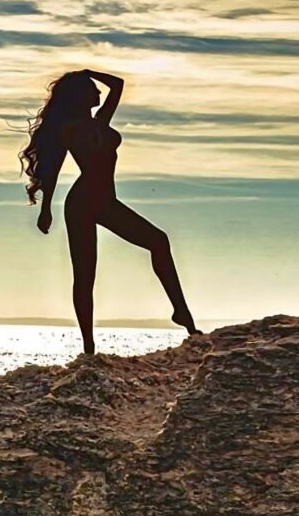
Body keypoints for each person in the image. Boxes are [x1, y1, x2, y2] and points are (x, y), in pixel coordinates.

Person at [18, 68, 202, 355]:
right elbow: (52, 169)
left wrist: (86, 72)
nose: (98, 92)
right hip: (82, 203)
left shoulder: (101, 121)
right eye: (92, 88)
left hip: (106, 201)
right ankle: (89, 348)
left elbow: (118, 85)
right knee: (85, 275)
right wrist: (46, 208)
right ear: (80, 96)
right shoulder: (68, 129)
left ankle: (184, 317)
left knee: (158, 241)